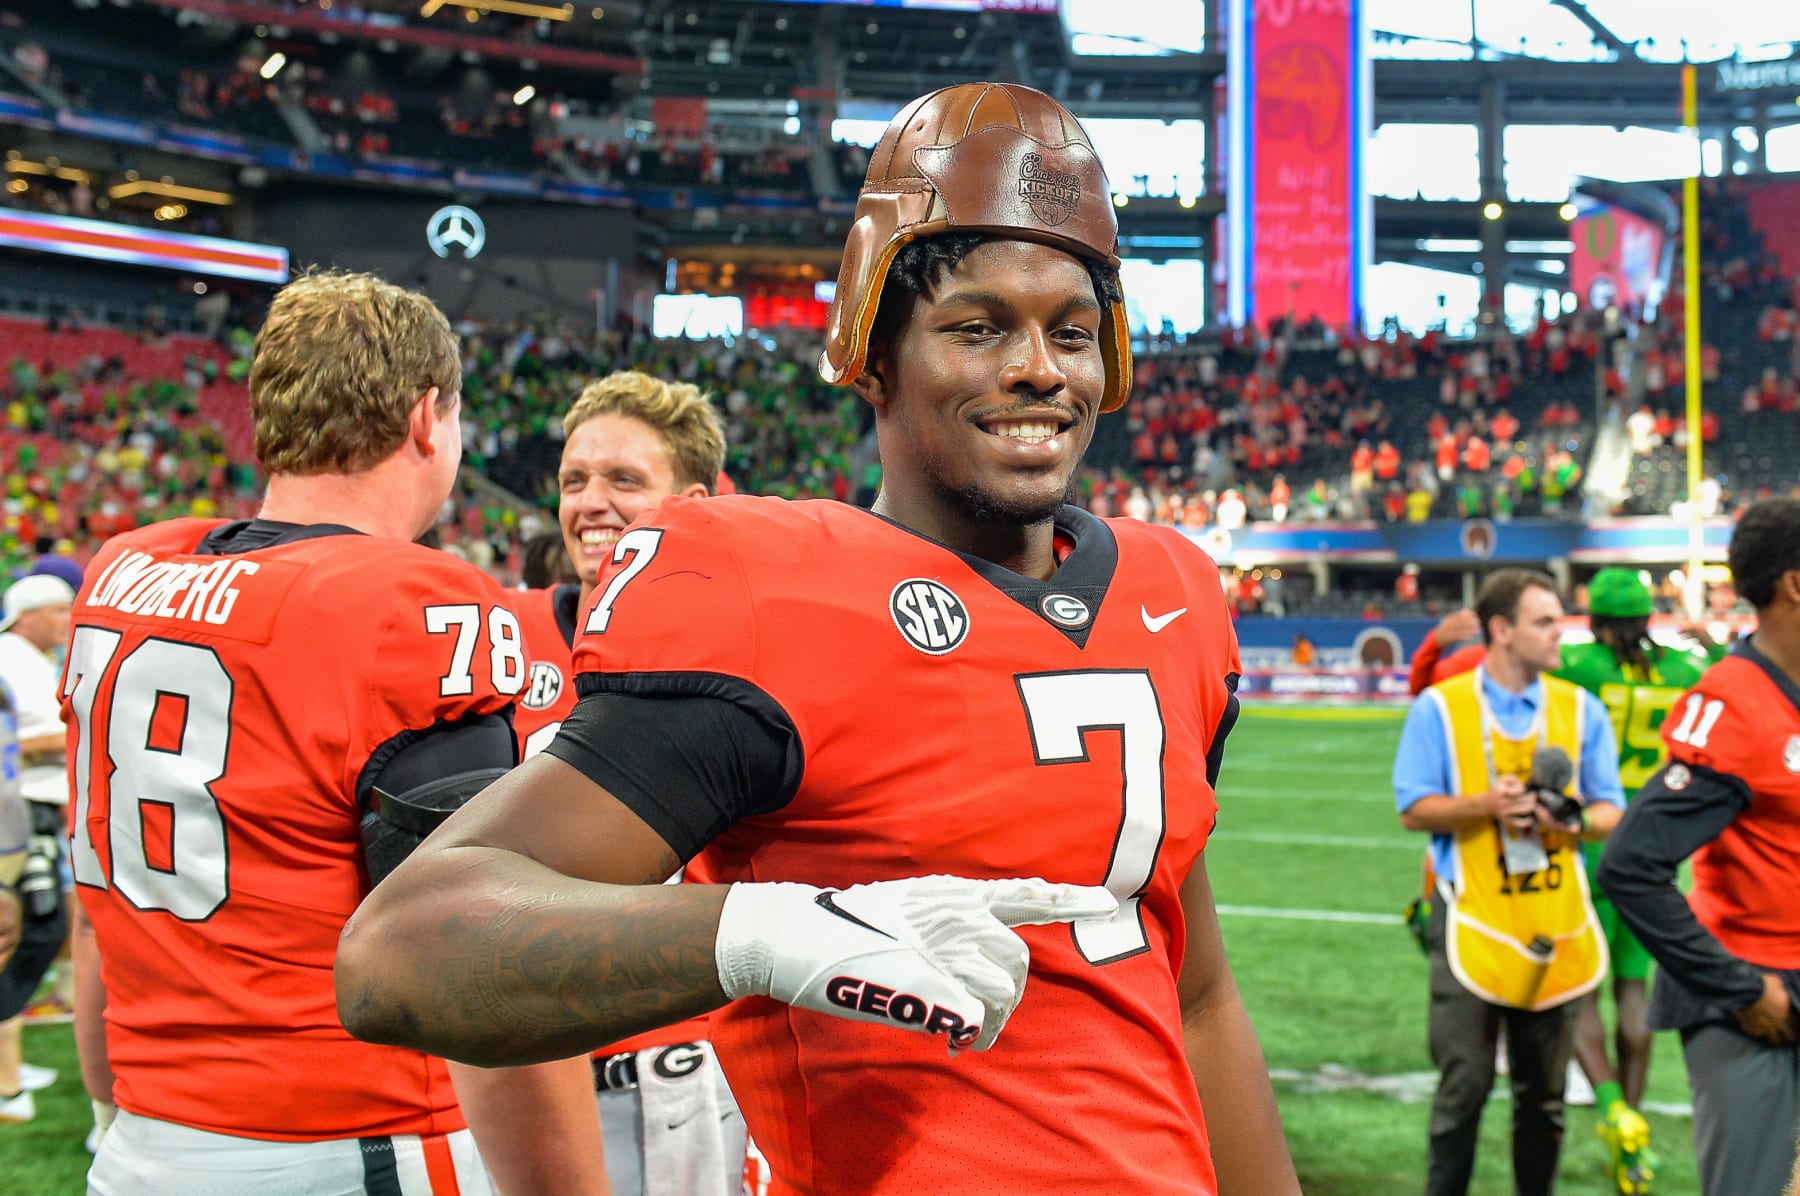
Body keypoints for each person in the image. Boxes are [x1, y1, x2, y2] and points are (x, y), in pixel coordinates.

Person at [337, 82, 1301, 1196]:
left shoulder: (1166, 589)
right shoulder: (770, 600)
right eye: (977, 325)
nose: (1039, 366)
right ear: (872, 352)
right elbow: (400, 952)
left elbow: (1194, 989)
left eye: (1071, 332)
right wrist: (774, 933)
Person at [65, 271, 607, 1195]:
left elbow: (92, 923)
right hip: (347, 1136)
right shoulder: (408, 600)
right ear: (428, 418)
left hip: (147, 1138)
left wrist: (115, 1110)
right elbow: (471, 968)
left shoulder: (125, 570)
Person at [516, 370, 747, 1196]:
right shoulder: (493, 644)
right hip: (533, 1071)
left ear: (688, 502)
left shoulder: (750, 651)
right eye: (575, 479)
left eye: (623, 480)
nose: (590, 502)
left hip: (704, 1072)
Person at [1394, 568, 1626, 1196]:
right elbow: (1413, 808)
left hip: (1553, 918)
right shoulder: (1440, 708)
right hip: (1468, 915)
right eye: (1544, 621)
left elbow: (1611, 809)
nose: (1560, 633)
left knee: (1544, 1098)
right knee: (1463, 1087)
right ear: (1502, 630)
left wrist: (1569, 820)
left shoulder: (1581, 710)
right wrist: (1486, 806)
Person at [1598, 497, 1800, 1196]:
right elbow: (1632, 864)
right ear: (1793, 584)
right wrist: (1738, 988)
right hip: (1756, 997)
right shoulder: (1735, 703)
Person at [1555, 567, 1715, 1195]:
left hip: (1594, 832)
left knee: (1578, 988)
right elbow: (1730, 676)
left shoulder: (1580, 664)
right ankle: (1635, 1128)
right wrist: (1713, 643)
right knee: (1632, 986)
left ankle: (1613, 1107)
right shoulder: (1679, 671)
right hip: (1656, 843)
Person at [0, 573, 76, 1126]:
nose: (68, 619)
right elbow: (21, 739)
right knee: (27, 929)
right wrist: (80, 733)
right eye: (58, 610)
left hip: (35, 809)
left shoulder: (30, 657)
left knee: (42, 930)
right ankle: (4, 1081)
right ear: (26, 613)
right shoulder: (11, 657)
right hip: (17, 811)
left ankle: (8, 1064)